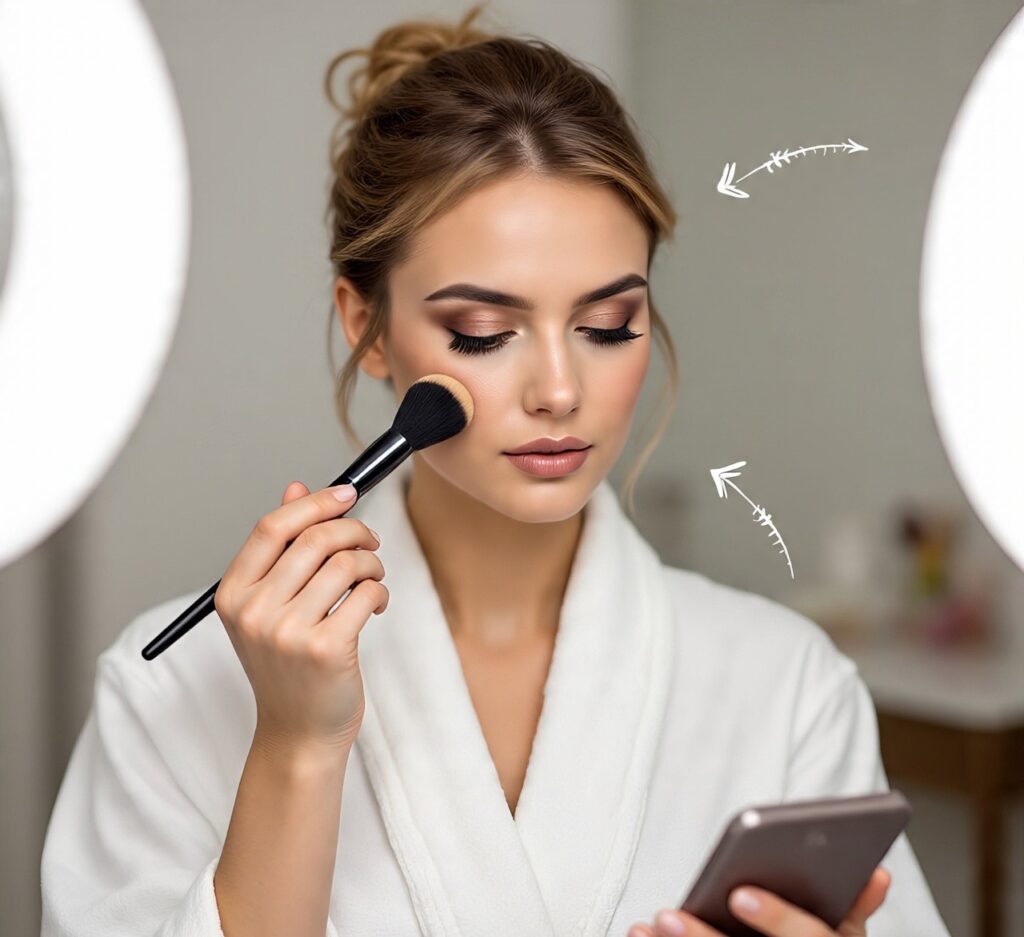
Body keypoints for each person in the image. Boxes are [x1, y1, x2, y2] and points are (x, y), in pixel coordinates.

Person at [39, 5, 953, 936]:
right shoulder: (175, 686)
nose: (559, 389)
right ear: (367, 327)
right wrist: (296, 747)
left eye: (607, 327)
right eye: (483, 333)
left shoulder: (786, 687)